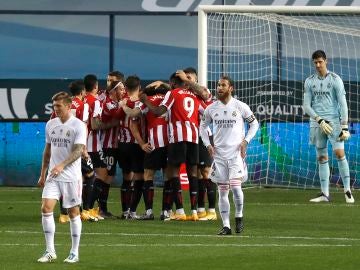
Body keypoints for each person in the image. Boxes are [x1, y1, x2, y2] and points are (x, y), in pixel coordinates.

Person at [140, 72, 204, 221]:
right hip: (193, 137)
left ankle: (180, 211)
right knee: (192, 173)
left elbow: (158, 112)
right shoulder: (194, 95)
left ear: (173, 83)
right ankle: (194, 211)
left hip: (177, 137)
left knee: (173, 173)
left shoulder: (172, 93)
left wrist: (146, 101)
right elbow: (206, 112)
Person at [200, 76, 259, 235]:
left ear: (230, 88)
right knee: (223, 190)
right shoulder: (211, 109)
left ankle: (239, 216)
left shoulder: (240, 106)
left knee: (235, 187)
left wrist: (246, 141)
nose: (219, 88)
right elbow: (202, 127)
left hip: (235, 155)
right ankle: (226, 226)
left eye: (223, 85)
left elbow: (254, 123)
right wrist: (207, 144)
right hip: (219, 155)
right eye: (218, 85)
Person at [37, 92, 87, 263]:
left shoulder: (78, 125)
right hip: (53, 175)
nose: (55, 109)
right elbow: (48, 150)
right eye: (54, 106)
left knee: (73, 213)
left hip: (71, 177)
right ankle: (50, 251)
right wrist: (42, 173)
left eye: (58, 106)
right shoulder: (50, 124)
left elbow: (79, 150)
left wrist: (62, 165)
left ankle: (74, 252)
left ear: (68, 106)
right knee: (46, 208)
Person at [303, 50, 354, 203]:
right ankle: (325, 194)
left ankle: (347, 191)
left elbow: (343, 104)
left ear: (326, 61)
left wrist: (344, 126)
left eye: (320, 61)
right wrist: (319, 120)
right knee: (322, 157)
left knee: (339, 153)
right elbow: (306, 106)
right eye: (315, 62)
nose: (318, 65)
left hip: (334, 122)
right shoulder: (309, 81)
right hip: (317, 123)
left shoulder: (335, 79)